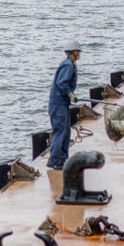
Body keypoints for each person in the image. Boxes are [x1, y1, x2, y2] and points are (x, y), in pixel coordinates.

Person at [47, 39, 81, 169]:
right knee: (60, 131)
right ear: (73, 52)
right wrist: (70, 94)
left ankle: (63, 159)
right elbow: (62, 83)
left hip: (63, 104)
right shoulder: (68, 65)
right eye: (78, 51)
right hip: (58, 104)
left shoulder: (70, 64)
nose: (79, 54)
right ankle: (54, 160)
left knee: (66, 131)